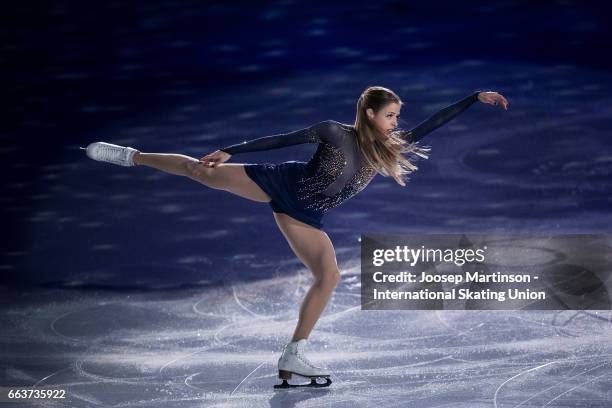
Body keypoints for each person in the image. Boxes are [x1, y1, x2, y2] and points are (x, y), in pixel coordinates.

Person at [82, 86, 509, 387]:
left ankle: (295, 352)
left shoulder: (387, 146)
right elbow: (282, 140)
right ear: (370, 114)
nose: (397, 122)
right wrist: (233, 151)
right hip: (278, 183)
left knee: (330, 277)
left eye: (397, 115)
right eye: (391, 115)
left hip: (305, 214)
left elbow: (435, 122)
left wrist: (474, 98)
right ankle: (130, 156)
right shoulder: (333, 132)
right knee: (199, 169)